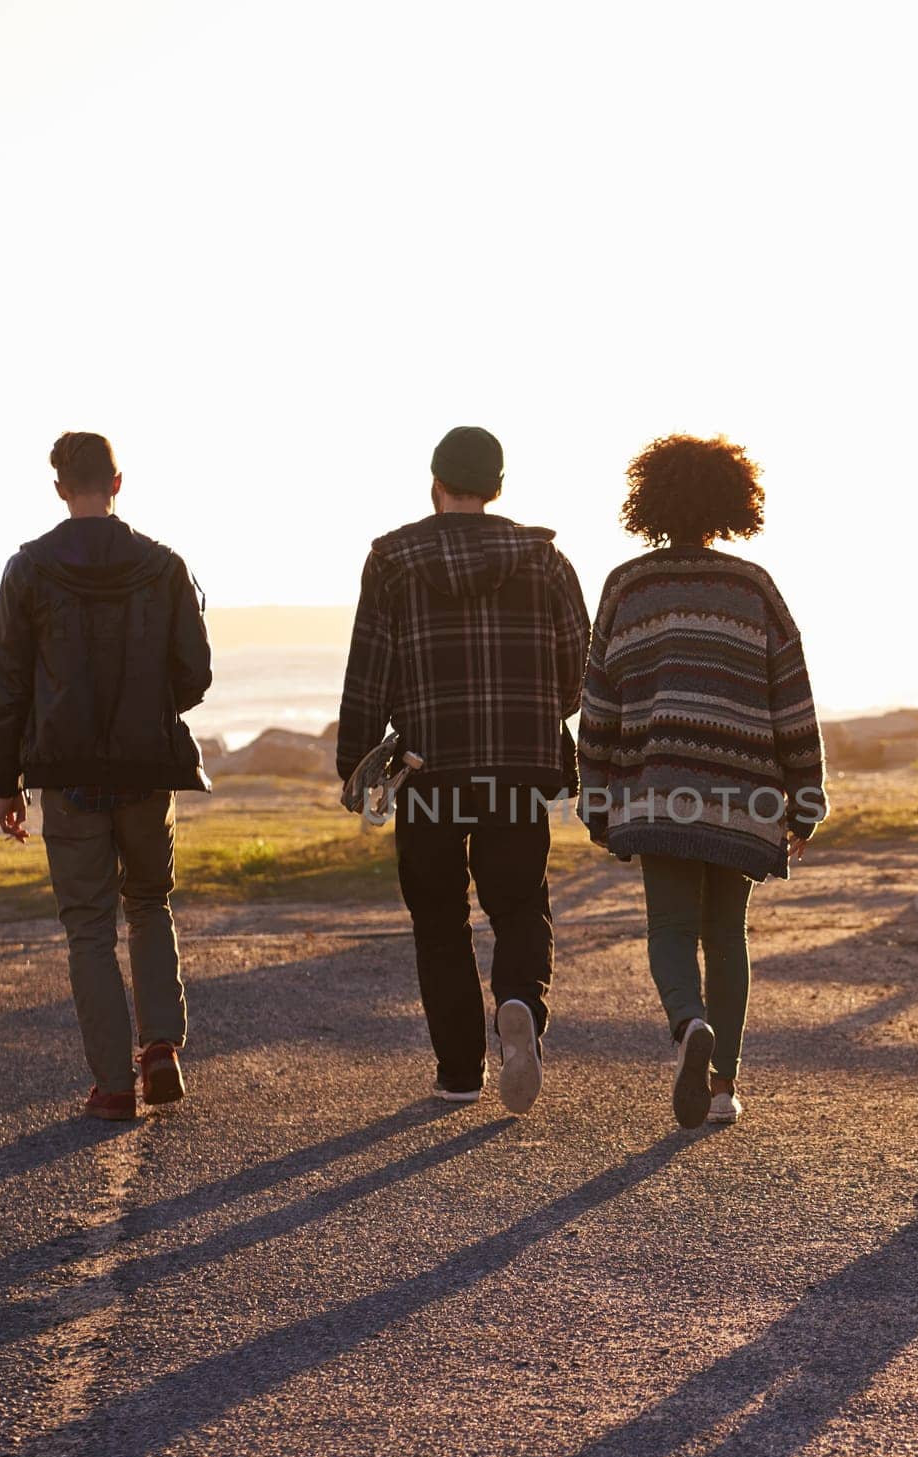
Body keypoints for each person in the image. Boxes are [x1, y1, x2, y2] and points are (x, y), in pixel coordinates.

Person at [336, 426, 589, 1113]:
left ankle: (457, 1072)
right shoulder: (544, 561)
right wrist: (541, 714)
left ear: (434, 482)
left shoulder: (392, 561)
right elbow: (577, 670)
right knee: (519, 902)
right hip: (518, 766)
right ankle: (517, 1006)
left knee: (440, 920)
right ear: (498, 487)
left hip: (428, 769)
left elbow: (370, 671)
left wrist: (354, 768)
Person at [579, 435, 827, 1129]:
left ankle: (688, 1023)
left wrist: (596, 794)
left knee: (670, 925)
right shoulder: (753, 587)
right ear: (732, 503)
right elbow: (793, 699)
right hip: (745, 790)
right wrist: (804, 799)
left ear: (648, 501)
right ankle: (722, 1087)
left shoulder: (627, 587)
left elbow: (598, 701)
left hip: (658, 790)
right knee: (726, 934)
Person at [0, 432, 212, 1121]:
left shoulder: (28, 570)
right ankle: (162, 1050)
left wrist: (7, 782)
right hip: (149, 770)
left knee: (88, 927)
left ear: (61, 489)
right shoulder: (165, 566)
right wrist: (149, 706)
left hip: (69, 775)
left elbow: (10, 686)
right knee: (149, 904)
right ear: (118, 483)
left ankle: (114, 1086)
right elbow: (196, 675)